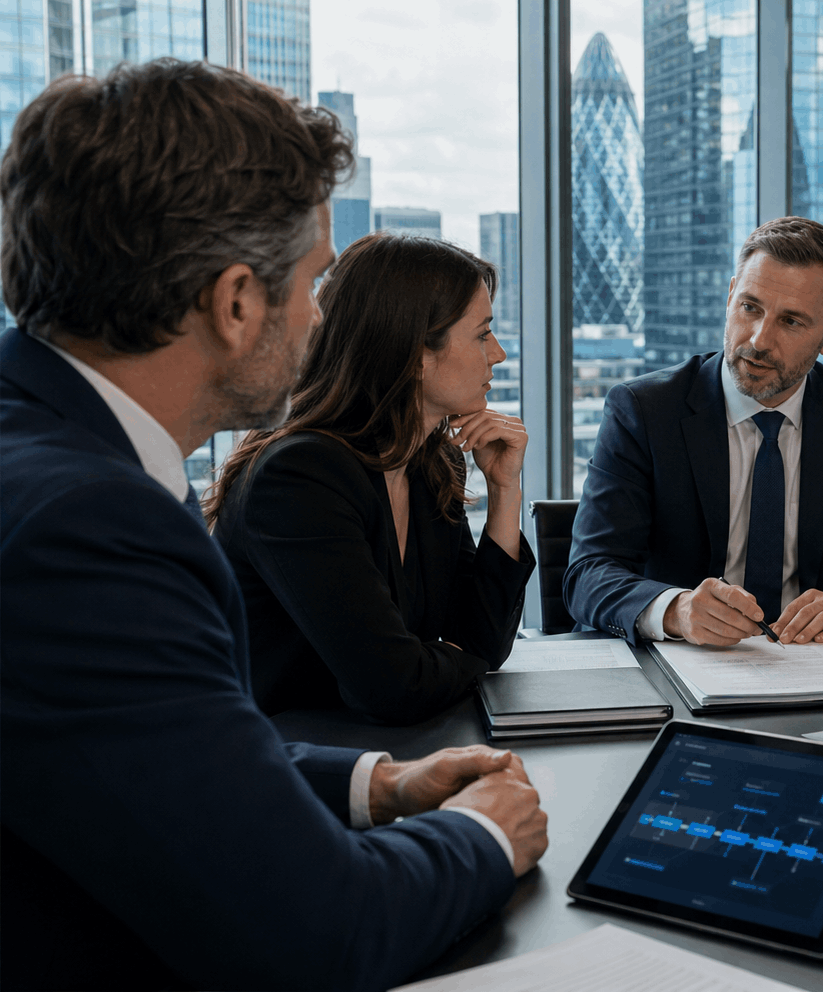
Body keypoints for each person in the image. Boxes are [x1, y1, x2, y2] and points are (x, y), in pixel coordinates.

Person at [0, 60, 547, 990]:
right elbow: (323, 932)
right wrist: (487, 835)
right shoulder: (87, 524)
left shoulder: (72, 456)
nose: (319, 319)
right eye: (313, 284)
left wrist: (378, 783)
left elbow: (152, 753)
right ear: (237, 301)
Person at [565, 216, 823, 646]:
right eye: (750, 307)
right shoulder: (643, 410)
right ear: (730, 296)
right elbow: (588, 573)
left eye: (791, 322)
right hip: (678, 668)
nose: (759, 339)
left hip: (812, 668)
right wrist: (677, 610)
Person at [208, 233, 535, 724]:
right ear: (415, 353)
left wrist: (505, 491)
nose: (499, 354)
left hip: (393, 752)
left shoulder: (430, 462)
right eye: (482, 333)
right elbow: (393, 686)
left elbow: (482, 637)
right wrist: (460, 657)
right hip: (300, 768)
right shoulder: (300, 478)